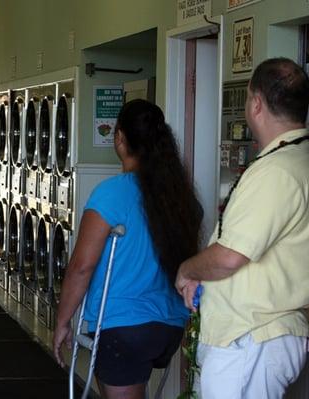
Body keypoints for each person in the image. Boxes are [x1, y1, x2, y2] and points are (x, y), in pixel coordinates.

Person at [175, 58, 309, 398]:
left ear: (255, 104)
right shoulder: (299, 158)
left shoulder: (278, 171)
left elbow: (229, 257)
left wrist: (187, 269)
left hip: (251, 338)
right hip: (257, 337)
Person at [53, 99, 202, 399]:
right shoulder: (179, 196)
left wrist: (62, 321)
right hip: (170, 326)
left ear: (119, 138)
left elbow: (82, 266)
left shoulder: (110, 194)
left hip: (122, 328)